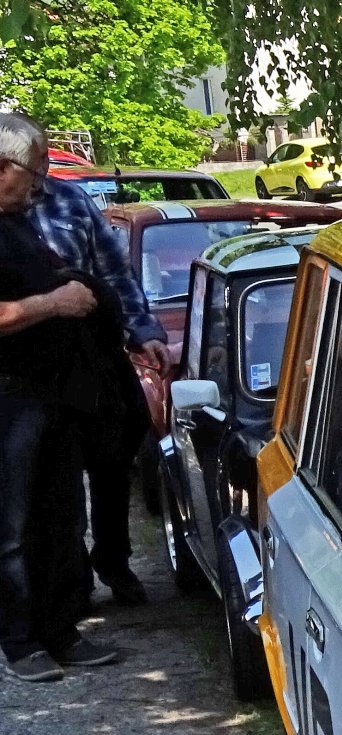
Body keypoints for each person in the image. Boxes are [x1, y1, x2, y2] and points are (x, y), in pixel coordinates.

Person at [7, 113, 165, 606]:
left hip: (96, 358)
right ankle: (67, 585)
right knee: (56, 486)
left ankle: (114, 561)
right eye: (36, 163)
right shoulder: (5, 218)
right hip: (39, 369)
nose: (45, 168)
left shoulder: (71, 201)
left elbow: (115, 272)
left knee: (113, 463)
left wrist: (143, 330)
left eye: (45, 159)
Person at [0, 121, 119, 680]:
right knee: (13, 528)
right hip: (8, 402)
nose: (39, 183)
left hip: (50, 394)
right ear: (3, 167)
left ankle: (59, 631)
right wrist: (56, 302)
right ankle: (20, 642)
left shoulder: (16, 222)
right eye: (31, 172)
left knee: (58, 517)